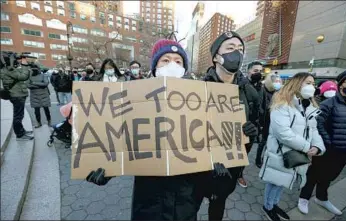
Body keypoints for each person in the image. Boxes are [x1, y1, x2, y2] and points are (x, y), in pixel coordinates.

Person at [86, 38, 207, 220]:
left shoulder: (198, 101)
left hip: (184, 202)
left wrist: (216, 165)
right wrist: (106, 167)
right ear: (155, 66)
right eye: (166, 60)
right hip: (150, 202)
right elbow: (120, 137)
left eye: (178, 61)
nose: (172, 65)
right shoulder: (135, 99)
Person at [199, 31, 259, 220]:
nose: (237, 54)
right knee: (190, 205)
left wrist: (251, 133)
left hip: (230, 166)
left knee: (218, 205)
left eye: (240, 49)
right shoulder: (198, 90)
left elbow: (257, 122)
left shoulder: (249, 92)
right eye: (230, 48)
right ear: (216, 56)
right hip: (200, 167)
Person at [259, 72, 325, 221]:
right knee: (275, 182)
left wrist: (318, 147)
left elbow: (313, 130)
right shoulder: (282, 103)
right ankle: (268, 207)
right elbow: (283, 133)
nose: (312, 86)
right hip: (281, 153)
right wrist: (307, 146)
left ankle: (274, 204)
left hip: (297, 154)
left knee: (282, 182)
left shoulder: (309, 106)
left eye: (313, 83)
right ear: (297, 83)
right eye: (308, 82)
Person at [298, 69, 346, 215]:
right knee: (313, 175)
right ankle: (304, 198)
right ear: (341, 84)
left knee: (330, 176)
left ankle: (322, 197)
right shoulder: (329, 103)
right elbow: (318, 124)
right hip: (327, 149)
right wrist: (328, 142)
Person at [237, 60, 264, 187]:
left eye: (260, 71)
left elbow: (262, 107)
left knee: (245, 155)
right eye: (255, 71)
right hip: (240, 127)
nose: (258, 73)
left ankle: (239, 174)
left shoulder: (261, 88)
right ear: (248, 71)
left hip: (253, 129)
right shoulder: (241, 85)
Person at [0, 53, 34, 141]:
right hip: (17, 95)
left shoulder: (7, 69)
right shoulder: (9, 69)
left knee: (19, 115)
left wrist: (24, 66)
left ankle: (21, 131)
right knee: (18, 116)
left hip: (17, 94)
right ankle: (19, 134)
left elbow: (26, 75)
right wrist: (24, 65)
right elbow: (23, 76)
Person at [255, 73, 283, 168]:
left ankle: (265, 158)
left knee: (270, 142)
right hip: (266, 121)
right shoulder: (263, 91)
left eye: (279, 81)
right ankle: (258, 159)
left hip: (274, 121)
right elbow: (261, 108)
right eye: (275, 81)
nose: (277, 83)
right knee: (263, 142)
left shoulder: (278, 93)